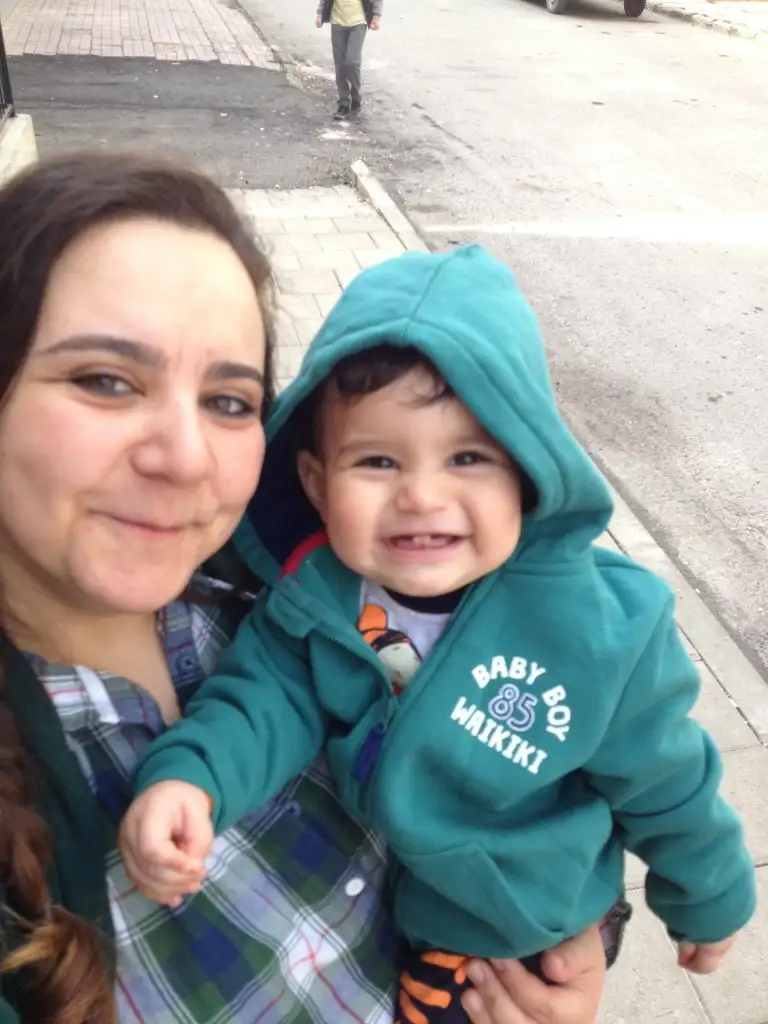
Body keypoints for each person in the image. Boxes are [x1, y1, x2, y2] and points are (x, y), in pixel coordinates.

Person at [0, 151, 610, 1024]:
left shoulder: (293, 591)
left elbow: (536, 751)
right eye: (106, 381)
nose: (185, 458)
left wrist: (566, 941)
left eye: (228, 401)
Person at [121, 245, 757, 1021]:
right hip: (401, 906)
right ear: (316, 483)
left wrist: (710, 896)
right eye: (378, 462)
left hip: (521, 920)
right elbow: (259, 702)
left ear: (529, 471)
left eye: (467, 458)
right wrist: (191, 779)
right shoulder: (316, 597)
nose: (422, 496)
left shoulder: (599, 629)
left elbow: (668, 779)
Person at [316, 0, 382, 121]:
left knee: (352, 62)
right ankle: (343, 103)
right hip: (337, 22)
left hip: (359, 22)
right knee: (340, 65)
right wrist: (320, 13)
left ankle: (356, 96)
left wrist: (376, 16)